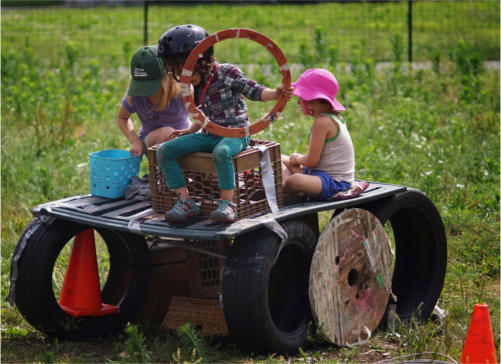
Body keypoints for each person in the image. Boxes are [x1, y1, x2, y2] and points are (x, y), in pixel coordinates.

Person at [155, 24, 293, 223]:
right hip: (210, 133)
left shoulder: (227, 73)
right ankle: (185, 201)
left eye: (183, 70)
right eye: (177, 73)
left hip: (236, 133)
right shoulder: (195, 83)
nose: (181, 77)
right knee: (164, 151)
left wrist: (276, 94)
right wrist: (188, 131)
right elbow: (201, 114)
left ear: (201, 59)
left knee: (222, 152)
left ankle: (228, 203)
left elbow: (254, 91)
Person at [281, 68, 355, 201]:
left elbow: (312, 161)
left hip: (334, 182)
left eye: (301, 98)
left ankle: (288, 192)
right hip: (320, 175)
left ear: (313, 100)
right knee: (279, 159)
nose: (298, 102)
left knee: (295, 181)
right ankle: (293, 190)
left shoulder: (322, 122)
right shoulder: (333, 118)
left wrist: (298, 159)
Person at [117, 45, 190, 156]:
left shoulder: (182, 92)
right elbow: (122, 117)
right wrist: (135, 141)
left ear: (167, 79)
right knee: (166, 134)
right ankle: (159, 172)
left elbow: (203, 113)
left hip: (183, 137)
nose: (144, 92)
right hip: (152, 142)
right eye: (141, 86)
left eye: (149, 87)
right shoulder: (136, 95)